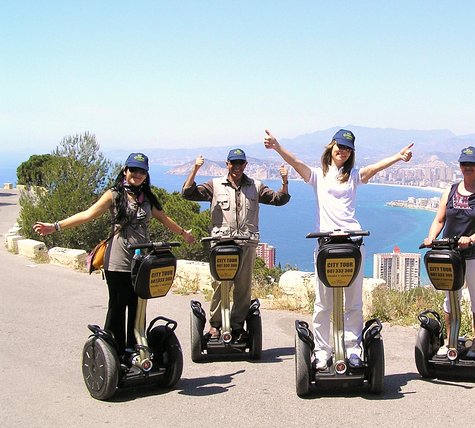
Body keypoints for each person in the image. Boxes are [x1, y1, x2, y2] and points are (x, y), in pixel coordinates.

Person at [264, 128, 413, 370]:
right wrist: (278, 147)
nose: (342, 151)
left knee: (353, 302)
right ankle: (322, 351)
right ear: (331, 147)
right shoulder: (317, 176)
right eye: (339, 146)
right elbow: (296, 162)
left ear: (351, 152)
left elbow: (375, 168)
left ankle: (353, 348)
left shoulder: (353, 176)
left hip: (352, 243)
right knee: (323, 303)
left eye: (347, 148)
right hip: (326, 245)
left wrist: (398, 156)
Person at [33, 153, 196, 354]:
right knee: (118, 307)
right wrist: (55, 226)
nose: (137, 174)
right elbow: (88, 214)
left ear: (146, 174)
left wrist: (183, 234)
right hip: (118, 261)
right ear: (125, 171)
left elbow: (164, 218)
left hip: (142, 263)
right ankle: (114, 352)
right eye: (133, 170)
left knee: (138, 308)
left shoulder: (147, 198)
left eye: (142, 171)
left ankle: (136, 348)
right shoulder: (114, 195)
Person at [181, 149, 290, 342]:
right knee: (220, 285)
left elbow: (278, 199)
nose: (237, 167)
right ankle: (215, 325)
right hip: (221, 243)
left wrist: (284, 182)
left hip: (246, 243)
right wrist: (195, 169)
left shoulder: (255, 186)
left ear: (245, 165)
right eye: (234, 163)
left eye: (241, 163)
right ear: (227, 164)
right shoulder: (214, 185)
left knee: (243, 287)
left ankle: (237, 325)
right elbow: (187, 193)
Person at [423, 146, 475, 354]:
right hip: (451, 253)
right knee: (451, 296)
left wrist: (471, 239)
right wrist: (432, 237)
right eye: (464, 164)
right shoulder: (451, 190)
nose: (468, 167)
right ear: (460, 166)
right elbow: (439, 219)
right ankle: (450, 340)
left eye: (472, 164)